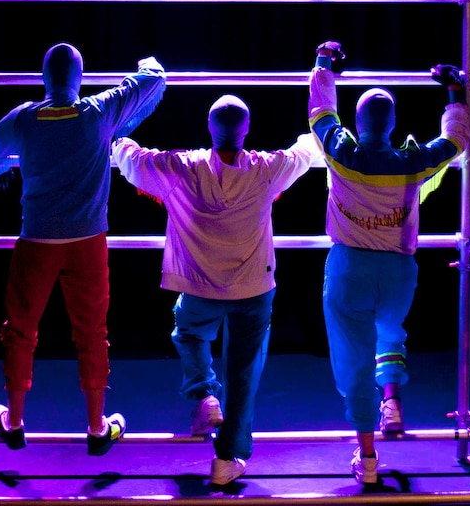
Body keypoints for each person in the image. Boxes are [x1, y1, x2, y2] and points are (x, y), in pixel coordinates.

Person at [111, 94, 321, 485]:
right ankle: (228, 459)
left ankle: (204, 393)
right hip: (254, 289)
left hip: (200, 287)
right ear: (246, 131)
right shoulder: (265, 168)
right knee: (244, 371)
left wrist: (120, 139)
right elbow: (304, 153)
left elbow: (134, 161)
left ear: (209, 128)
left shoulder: (182, 167)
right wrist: (312, 137)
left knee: (188, 331)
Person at [0, 42, 167, 455]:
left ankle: (13, 421)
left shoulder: (24, 117)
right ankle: (98, 427)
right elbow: (153, 78)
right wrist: (144, 59)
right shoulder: (99, 112)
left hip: (36, 240)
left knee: (20, 330)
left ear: (43, 78)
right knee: (92, 333)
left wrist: (2, 164)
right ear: (80, 79)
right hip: (88, 241)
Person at [308, 41, 470, 484]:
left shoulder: (341, 152)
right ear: (395, 124)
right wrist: (455, 92)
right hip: (398, 270)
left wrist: (325, 66)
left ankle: (368, 456)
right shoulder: (411, 161)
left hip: (349, 269)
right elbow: (456, 140)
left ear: (357, 124)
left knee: (352, 357)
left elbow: (320, 114)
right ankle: (392, 400)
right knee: (390, 333)